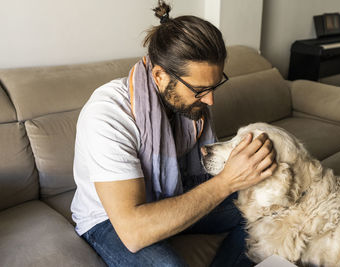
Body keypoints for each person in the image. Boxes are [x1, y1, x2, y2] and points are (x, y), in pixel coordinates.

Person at [70, 1, 277, 266]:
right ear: (159, 76)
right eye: (201, 90)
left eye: (214, 86)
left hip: (177, 193)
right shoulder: (108, 114)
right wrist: (227, 181)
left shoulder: (192, 103)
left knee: (271, 208)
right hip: (110, 220)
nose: (211, 101)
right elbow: (133, 232)